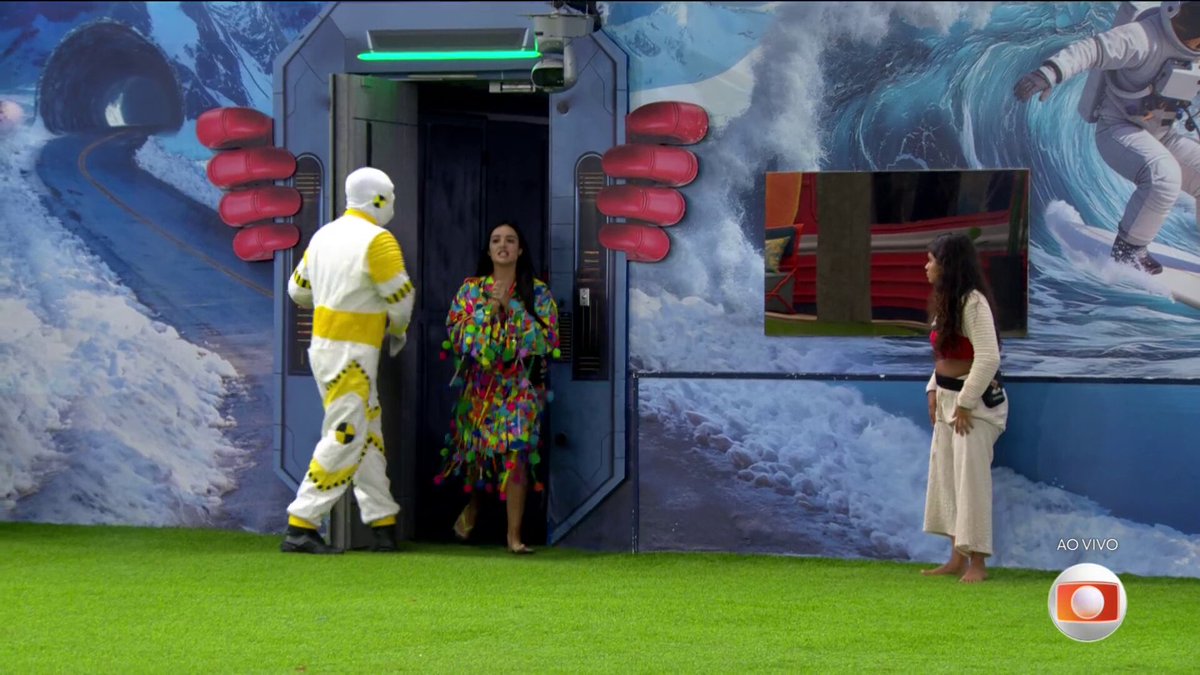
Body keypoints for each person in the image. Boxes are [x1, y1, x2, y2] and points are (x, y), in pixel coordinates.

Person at [280, 167, 415, 554]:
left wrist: (332, 296)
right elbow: (400, 297)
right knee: (347, 433)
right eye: (390, 195)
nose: (392, 203)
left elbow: (297, 290)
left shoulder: (322, 236)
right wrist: (398, 330)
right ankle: (302, 523)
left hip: (324, 348)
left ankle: (382, 521)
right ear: (378, 199)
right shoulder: (378, 241)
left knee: (367, 432)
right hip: (354, 354)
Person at [1013, 0, 1200, 275]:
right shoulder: (1144, 37)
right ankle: (1129, 252)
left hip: (1162, 134)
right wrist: (1050, 72)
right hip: (1118, 129)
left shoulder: (1193, 51)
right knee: (1164, 175)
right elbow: (1093, 49)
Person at [435, 221, 559, 554]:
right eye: (496, 240)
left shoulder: (537, 292)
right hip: (481, 388)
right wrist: (490, 308)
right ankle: (475, 507)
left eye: (510, 240)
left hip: (521, 388)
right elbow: (460, 338)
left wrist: (511, 307)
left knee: (518, 453)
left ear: (520, 250)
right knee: (480, 455)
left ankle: (513, 536)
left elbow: (546, 341)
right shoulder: (471, 291)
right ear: (488, 250)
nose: (503, 245)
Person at [921, 232, 1008, 584]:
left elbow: (988, 358)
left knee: (971, 481)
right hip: (949, 403)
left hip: (974, 408)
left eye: (931, 260)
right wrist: (932, 389)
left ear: (947, 265)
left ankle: (978, 563)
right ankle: (956, 557)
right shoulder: (948, 301)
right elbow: (944, 354)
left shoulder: (973, 303)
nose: (926, 267)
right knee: (947, 478)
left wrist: (966, 402)